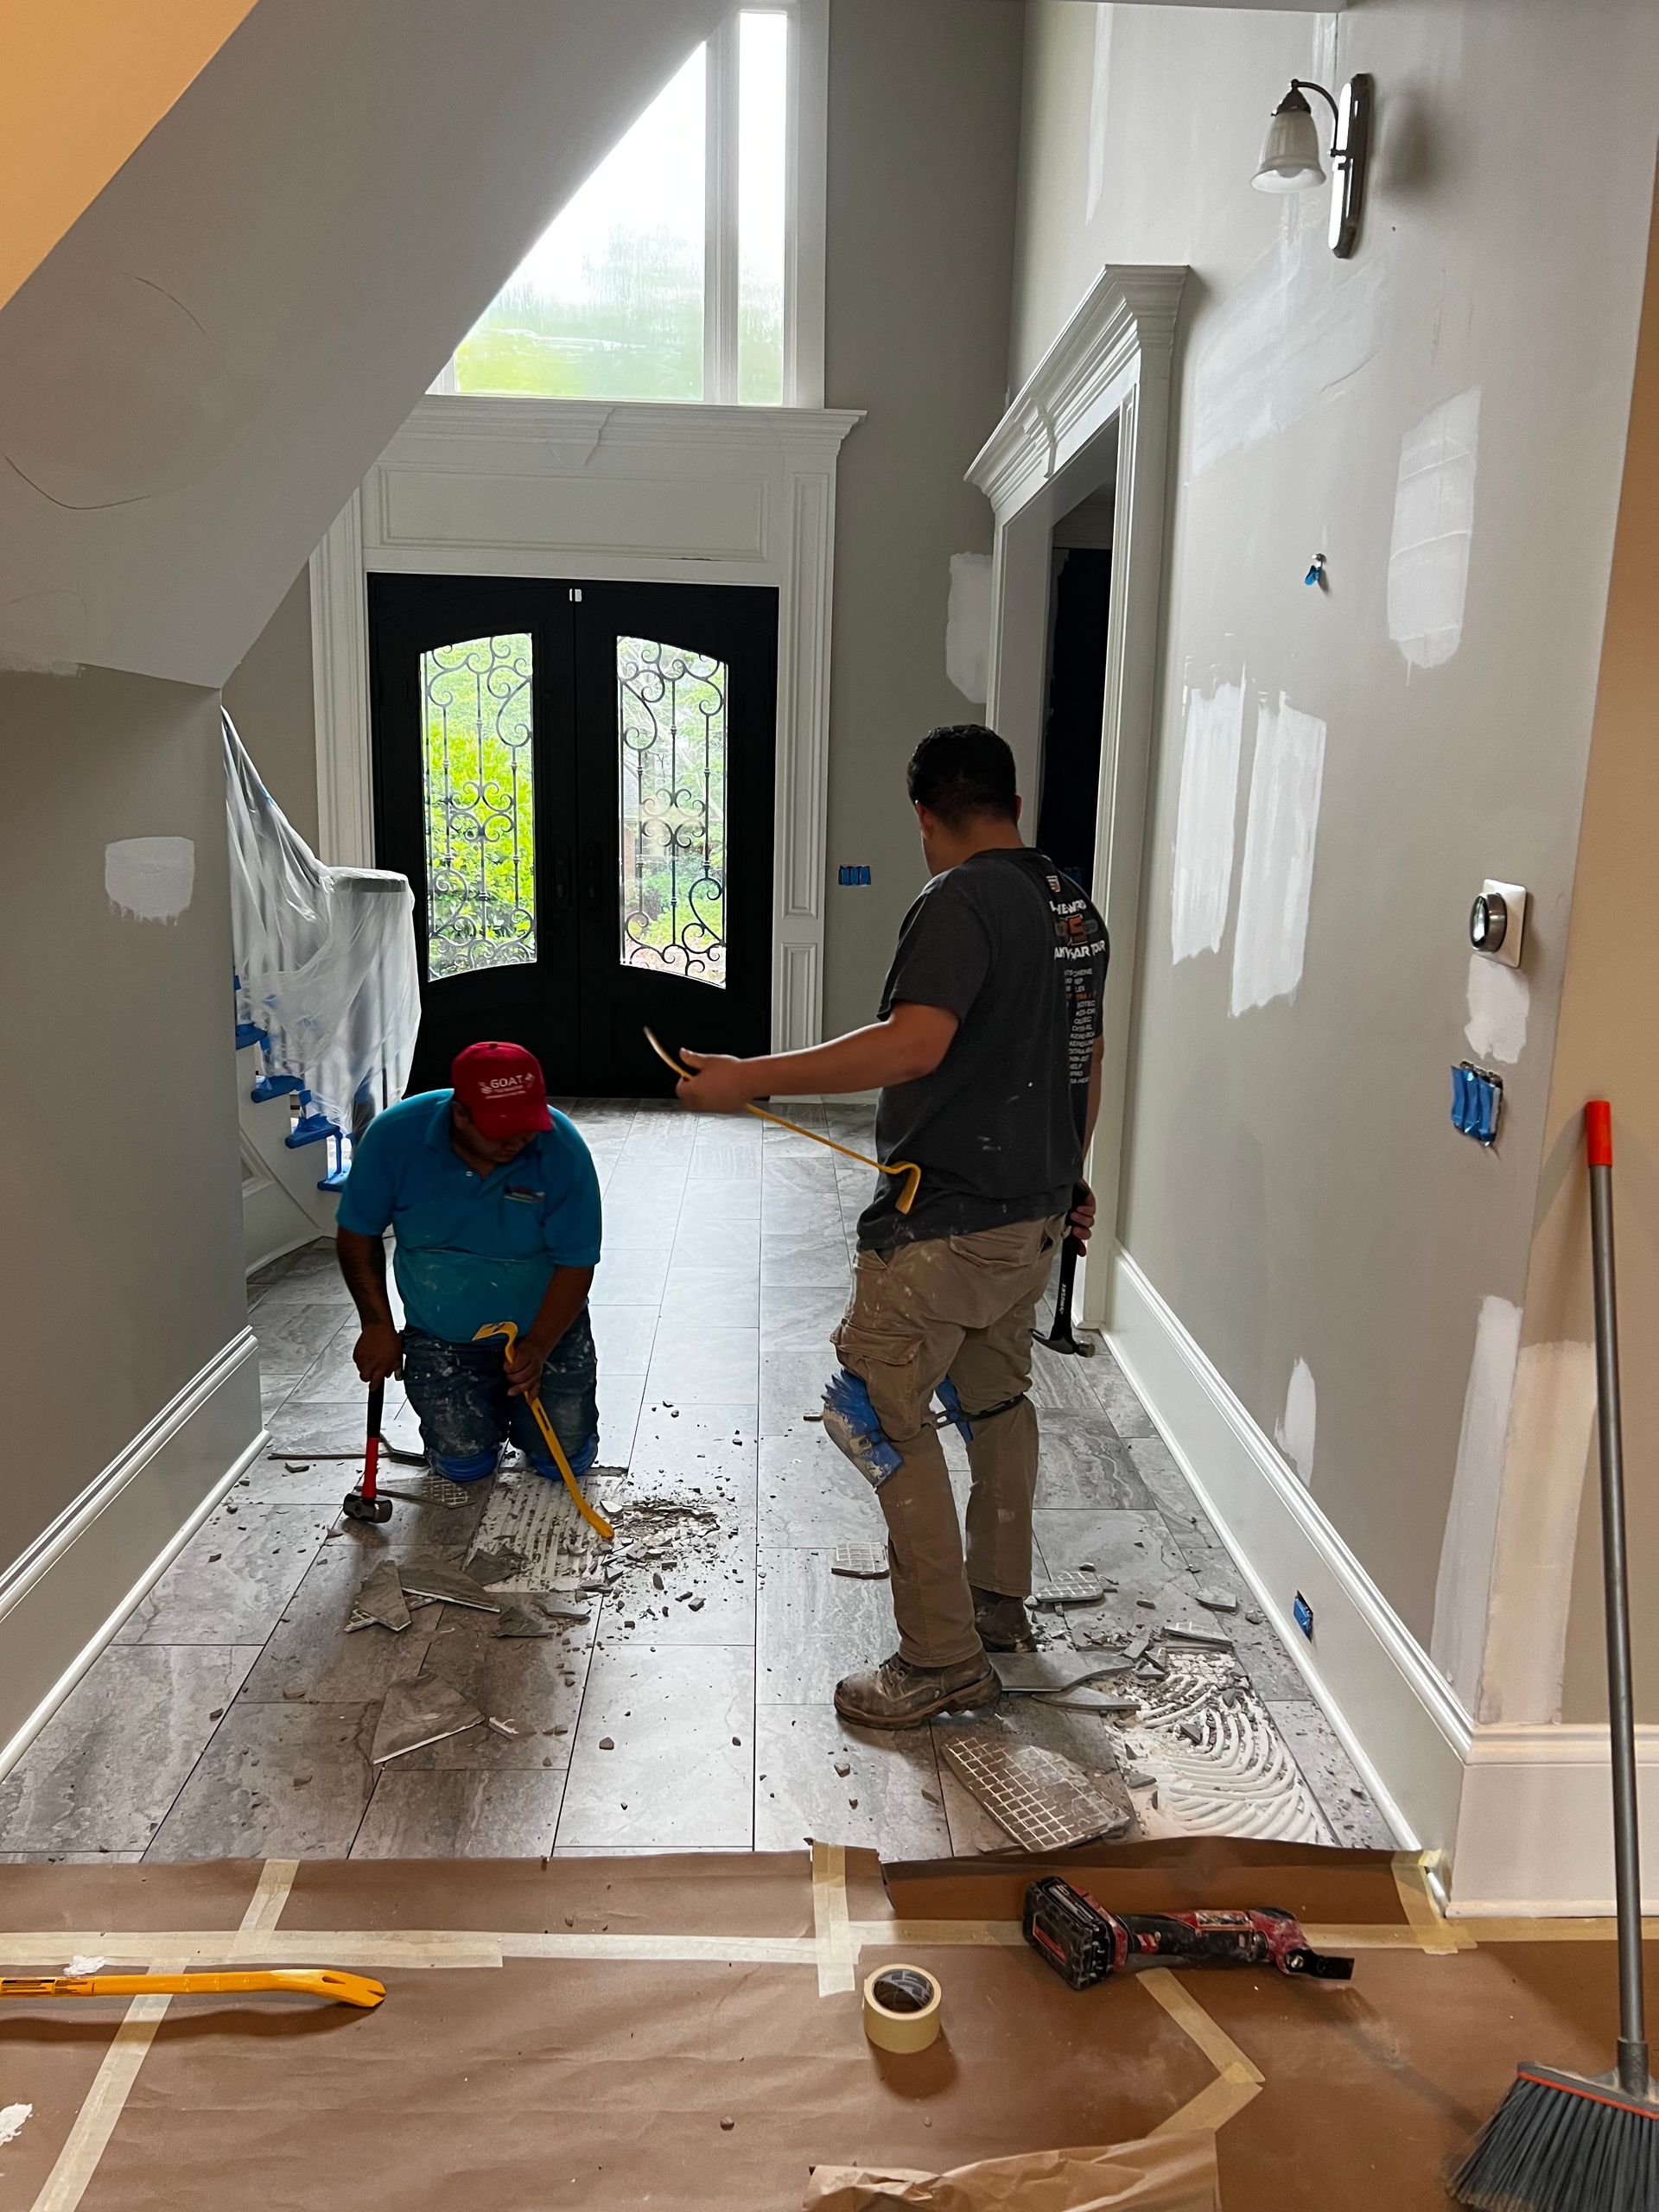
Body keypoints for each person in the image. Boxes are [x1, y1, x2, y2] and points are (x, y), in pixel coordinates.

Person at [676, 723, 1108, 1727]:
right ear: (1010, 799)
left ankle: (941, 1657)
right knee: (997, 1402)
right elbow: (1082, 1055)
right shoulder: (1069, 902)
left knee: (875, 1413)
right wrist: (1068, 1175)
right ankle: (998, 1604)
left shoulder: (960, 900)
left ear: (924, 813)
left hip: (948, 1225)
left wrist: (751, 1081)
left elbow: (915, 1044)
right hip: (1032, 1214)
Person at [334, 1040, 603, 1484]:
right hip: (442, 1333)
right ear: (460, 1115)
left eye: (527, 1128)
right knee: (464, 1465)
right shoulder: (394, 1138)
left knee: (563, 1462)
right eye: (502, 1131)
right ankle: (485, 1422)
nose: (518, 1142)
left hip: (542, 1328)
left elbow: (577, 1261)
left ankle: (532, 1418)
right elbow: (357, 1233)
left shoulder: (560, 1148)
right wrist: (376, 1324)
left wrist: (538, 1346)